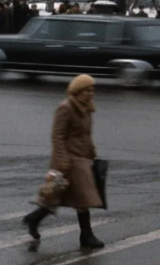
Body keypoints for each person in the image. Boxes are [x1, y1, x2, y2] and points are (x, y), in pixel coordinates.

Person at [21, 74, 106, 249]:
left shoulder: (87, 109)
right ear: (78, 91)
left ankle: (34, 218)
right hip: (68, 160)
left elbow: (86, 135)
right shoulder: (66, 108)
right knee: (82, 198)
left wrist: (92, 152)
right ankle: (87, 236)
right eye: (87, 90)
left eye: (93, 90)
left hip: (81, 158)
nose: (91, 93)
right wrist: (62, 160)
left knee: (59, 196)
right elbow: (57, 136)